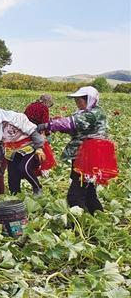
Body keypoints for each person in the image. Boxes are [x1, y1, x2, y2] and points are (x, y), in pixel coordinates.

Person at [38, 86, 113, 214]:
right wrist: (55, 123)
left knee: (75, 196)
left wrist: (48, 125)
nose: (77, 102)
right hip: (82, 155)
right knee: (89, 192)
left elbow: (70, 123)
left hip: (90, 156)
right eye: (76, 99)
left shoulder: (93, 114)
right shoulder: (84, 112)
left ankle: (79, 222)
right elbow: (70, 126)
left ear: (90, 100)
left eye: (80, 99)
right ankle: (97, 218)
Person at [0, 101, 46, 196]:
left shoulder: (15, 118)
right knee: (13, 177)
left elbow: (33, 132)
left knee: (24, 168)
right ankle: (16, 196)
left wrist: (39, 148)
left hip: (29, 147)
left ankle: (37, 188)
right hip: (12, 151)